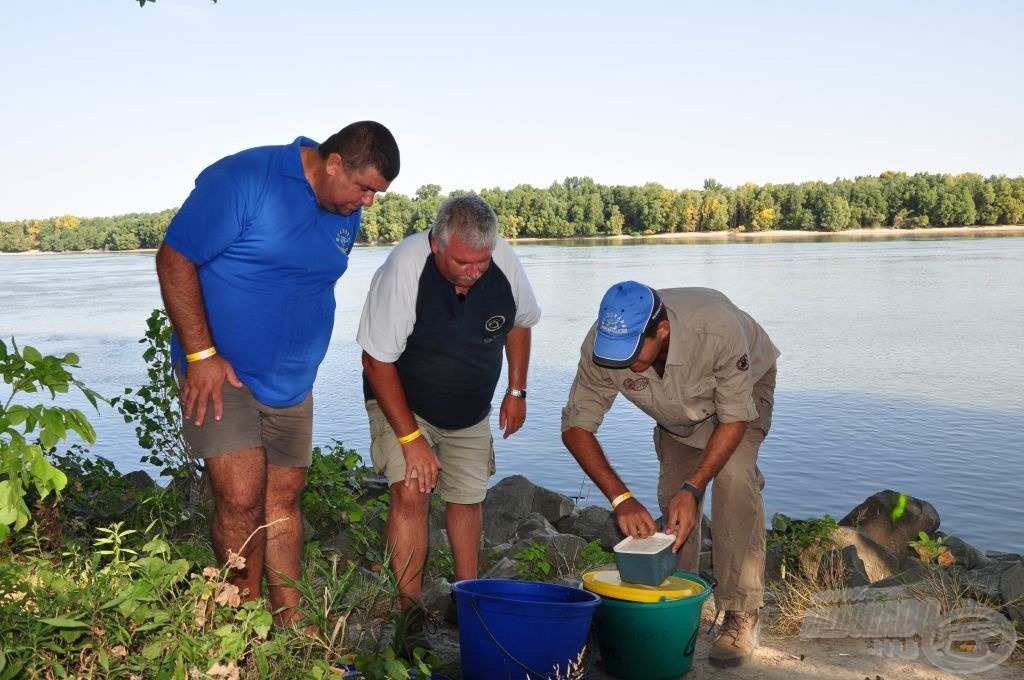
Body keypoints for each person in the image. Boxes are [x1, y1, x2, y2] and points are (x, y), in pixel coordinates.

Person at [155, 121, 400, 626]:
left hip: (292, 386)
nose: (369, 203)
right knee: (241, 501)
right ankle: (241, 632)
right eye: (365, 188)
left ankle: (292, 629)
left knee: (283, 502)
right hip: (224, 377)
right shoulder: (246, 179)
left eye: (377, 193)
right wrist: (200, 355)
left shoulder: (342, 211)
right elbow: (174, 258)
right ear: (333, 163)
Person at [561, 281, 779, 668]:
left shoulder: (715, 327)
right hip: (676, 415)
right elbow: (577, 426)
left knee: (733, 478)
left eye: (632, 353)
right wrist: (621, 499)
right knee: (672, 498)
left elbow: (732, 419)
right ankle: (680, 601)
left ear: (661, 331)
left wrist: (695, 487)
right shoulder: (604, 343)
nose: (623, 362)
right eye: (616, 354)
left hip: (741, 392)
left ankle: (742, 610)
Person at [356, 194, 541, 630]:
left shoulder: (501, 261)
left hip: (470, 408)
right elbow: (375, 361)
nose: (474, 273)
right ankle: (410, 613)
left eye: (481, 262)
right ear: (436, 244)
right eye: (462, 263)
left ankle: (467, 597)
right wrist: (409, 440)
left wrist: (517, 390)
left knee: (467, 496)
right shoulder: (405, 268)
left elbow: (520, 322)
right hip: (404, 399)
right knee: (410, 490)